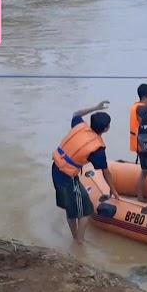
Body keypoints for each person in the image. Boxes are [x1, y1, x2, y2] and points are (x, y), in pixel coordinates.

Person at [52, 101, 120, 245]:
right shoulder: (97, 148)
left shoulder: (80, 126)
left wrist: (96, 107)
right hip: (67, 177)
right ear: (106, 128)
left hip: (56, 168)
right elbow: (105, 171)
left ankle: (75, 237)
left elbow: (76, 114)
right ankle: (79, 241)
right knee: (86, 210)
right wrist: (113, 190)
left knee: (71, 208)